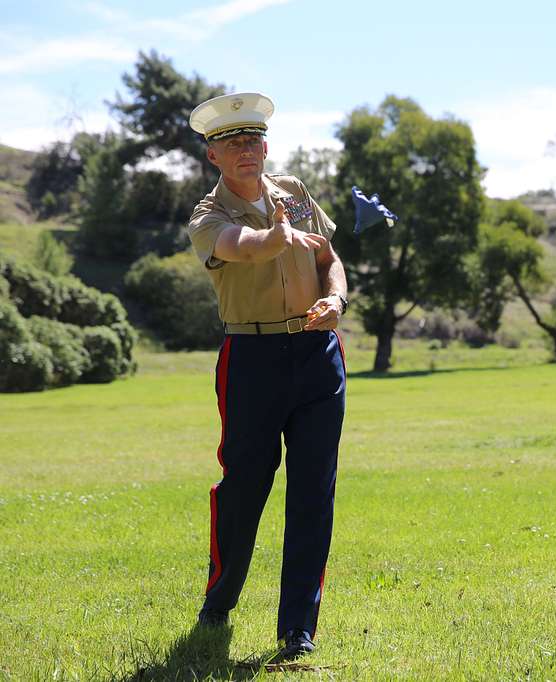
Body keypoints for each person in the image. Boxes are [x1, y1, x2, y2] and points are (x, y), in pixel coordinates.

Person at [185, 92, 348, 660]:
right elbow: (239, 247)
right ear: (213, 156)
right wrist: (272, 239)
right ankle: (219, 601)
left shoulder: (296, 193)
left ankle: (297, 628)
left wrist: (336, 300)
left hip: (316, 352)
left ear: (266, 146)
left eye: (253, 140)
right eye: (232, 143)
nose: (246, 150)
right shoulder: (209, 215)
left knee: (313, 492)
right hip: (251, 361)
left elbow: (330, 258)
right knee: (244, 487)